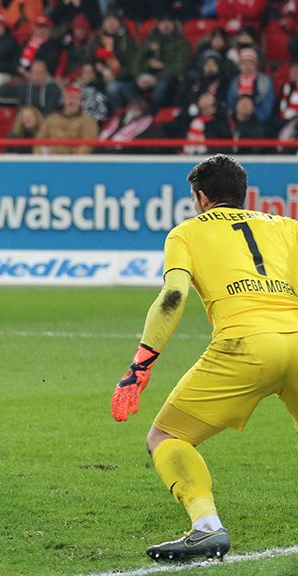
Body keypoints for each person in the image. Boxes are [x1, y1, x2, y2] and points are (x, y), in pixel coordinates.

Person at [110, 154, 298, 562]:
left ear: (201, 197)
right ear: (241, 194)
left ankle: (206, 527)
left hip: (244, 345)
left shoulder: (186, 232)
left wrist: (141, 364)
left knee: (165, 437)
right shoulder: (286, 226)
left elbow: (173, 296)